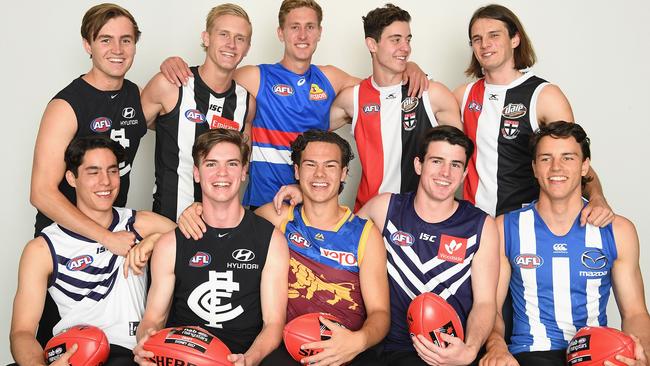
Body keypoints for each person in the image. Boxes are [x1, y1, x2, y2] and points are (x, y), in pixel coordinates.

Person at [160, 0, 428, 211]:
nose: (302, 34)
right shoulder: (254, 77)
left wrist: (409, 67)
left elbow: (382, 88)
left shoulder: (331, 78)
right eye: (294, 26)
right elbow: (209, 84)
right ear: (280, 32)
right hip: (263, 205)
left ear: (320, 33)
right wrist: (177, 64)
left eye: (310, 27)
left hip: (312, 205)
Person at [273, 126, 499, 365]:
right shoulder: (385, 208)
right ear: (418, 165)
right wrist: (309, 191)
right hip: (395, 350)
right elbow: (336, 227)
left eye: (455, 165)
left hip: (453, 350)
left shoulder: (481, 225)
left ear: (464, 174)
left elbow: (486, 303)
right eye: (436, 161)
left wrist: (471, 350)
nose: (445, 172)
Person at [479, 122, 650, 366]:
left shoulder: (618, 230)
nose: (556, 167)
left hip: (595, 353)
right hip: (530, 353)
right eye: (546, 159)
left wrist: (643, 353)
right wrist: (496, 347)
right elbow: (490, 308)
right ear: (535, 168)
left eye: (568, 158)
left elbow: (635, 313)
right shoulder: (505, 228)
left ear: (584, 167)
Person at [29, 3, 147, 346]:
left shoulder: (134, 95)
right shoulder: (66, 105)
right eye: (106, 40)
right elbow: (41, 192)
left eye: (126, 40)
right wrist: (104, 236)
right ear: (87, 44)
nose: (117, 50)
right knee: (62, 344)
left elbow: (174, 108)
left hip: (114, 235)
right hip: (67, 242)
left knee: (113, 342)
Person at [10, 136, 176, 365]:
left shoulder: (142, 224)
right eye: (93, 172)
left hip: (130, 353)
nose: (105, 182)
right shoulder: (43, 248)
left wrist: (157, 240)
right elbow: (22, 332)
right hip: (75, 352)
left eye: (112, 171)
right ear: (71, 178)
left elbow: (202, 247)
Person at [133, 129, 289, 366]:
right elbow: (154, 318)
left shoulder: (271, 240)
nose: (222, 173)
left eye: (232, 164)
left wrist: (250, 359)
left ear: (245, 171)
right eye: (211, 164)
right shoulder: (170, 243)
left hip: (241, 357)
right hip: (181, 356)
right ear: (196, 173)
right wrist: (147, 343)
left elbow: (273, 323)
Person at [453, 4, 612, 225]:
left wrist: (597, 196)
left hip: (528, 224)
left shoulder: (545, 96)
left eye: (494, 35)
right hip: (474, 222)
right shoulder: (463, 96)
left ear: (515, 39)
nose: (485, 44)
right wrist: (410, 67)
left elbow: (570, 159)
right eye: (477, 39)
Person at [255, 129, 389, 365]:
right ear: (296, 171)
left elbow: (380, 313)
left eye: (330, 166)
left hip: (347, 351)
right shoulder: (279, 219)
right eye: (310, 165)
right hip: (290, 347)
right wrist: (197, 209)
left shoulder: (365, 234)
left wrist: (357, 342)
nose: (319, 174)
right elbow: (229, 221)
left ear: (343, 173)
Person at [329, 4, 463, 211]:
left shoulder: (432, 94)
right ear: (372, 44)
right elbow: (307, 133)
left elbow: (463, 155)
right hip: (368, 215)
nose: (406, 48)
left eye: (408, 39)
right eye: (396, 40)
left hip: (418, 219)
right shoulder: (352, 98)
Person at [140, 4, 255, 221]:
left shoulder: (246, 102)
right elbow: (127, 131)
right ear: (206, 38)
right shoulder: (171, 85)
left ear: (247, 47)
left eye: (240, 38)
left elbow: (242, 168)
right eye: (224, 34)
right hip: (169, 223)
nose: (231, 44)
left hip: (220, 227)